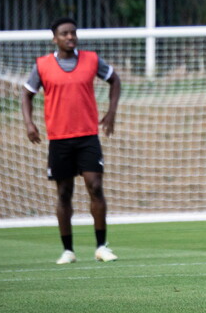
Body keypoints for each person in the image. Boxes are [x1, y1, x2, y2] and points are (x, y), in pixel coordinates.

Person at [21, 17, 122, 265]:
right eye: (64, 33)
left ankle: (101, 246)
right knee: (64, 192)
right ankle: (68, 250)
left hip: (88, 136)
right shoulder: (42, 65)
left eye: (73, 33)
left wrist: (111, 112)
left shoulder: (91, 59)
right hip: (59, 138)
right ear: (54, 38)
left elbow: (115, 80)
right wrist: (29, 123)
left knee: (95, 186)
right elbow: (26, 94)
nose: (70, 37)